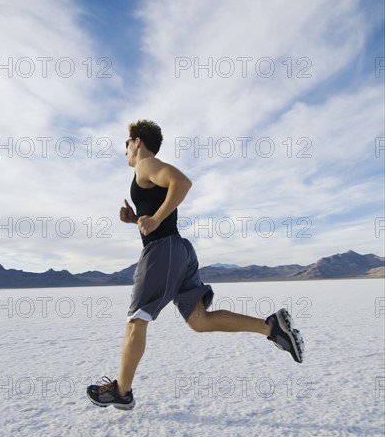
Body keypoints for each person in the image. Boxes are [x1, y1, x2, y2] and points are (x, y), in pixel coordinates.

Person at [87, 120, 304, 410]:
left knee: (137, 320)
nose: (124, 150)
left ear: (137, 141)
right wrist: (136, 220)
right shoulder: (147, 172)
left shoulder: (146, 164)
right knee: (200, 320)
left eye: (126, 144)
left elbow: (182, 183)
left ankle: (122, 391)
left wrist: (154, 219)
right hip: (179, 251)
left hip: (163, 251)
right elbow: (159, 210)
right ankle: (272, 328)